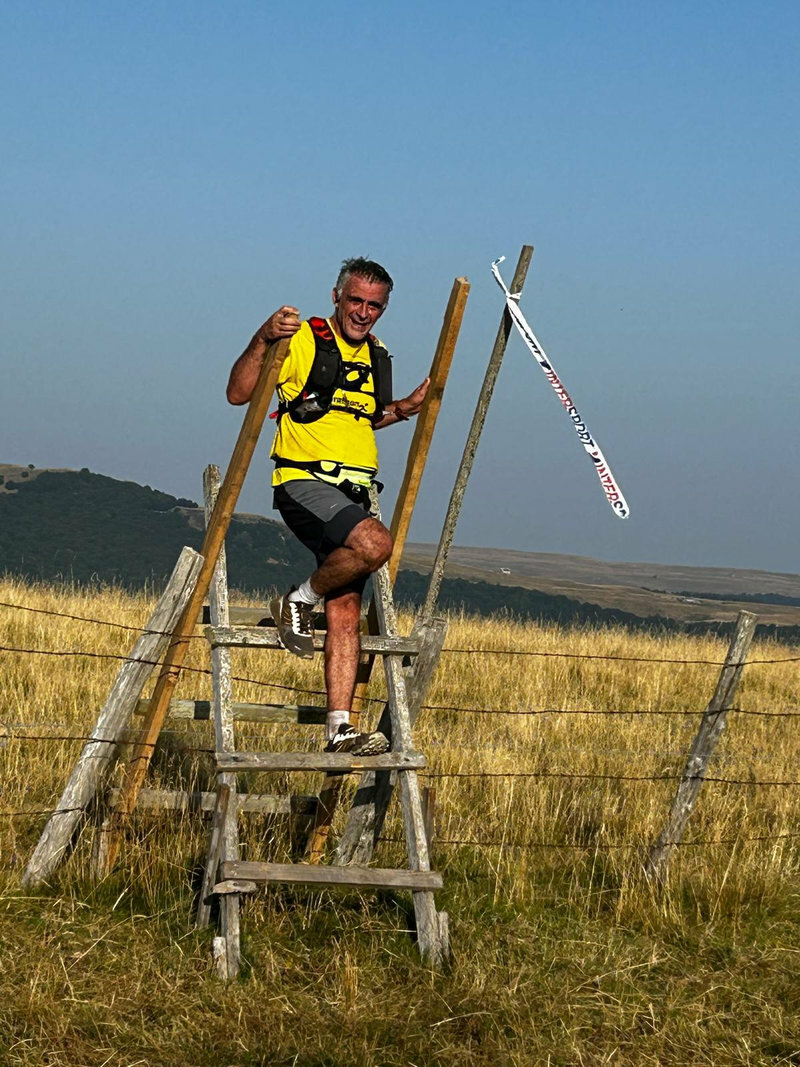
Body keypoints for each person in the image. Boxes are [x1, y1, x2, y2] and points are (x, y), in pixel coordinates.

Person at [227, 257, 428, 755]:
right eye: (355, 300)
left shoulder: (377, 354)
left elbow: (359, 417)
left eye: (374, 305)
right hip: (304, 479)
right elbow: (239, 393)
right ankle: (298, 599)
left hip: (355, 489)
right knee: (375, 545)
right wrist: (262, 338)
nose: (363, 312)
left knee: (346, 607)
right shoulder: (303, 340)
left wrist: (402, 409)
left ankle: (339, 730)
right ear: (336, 296)